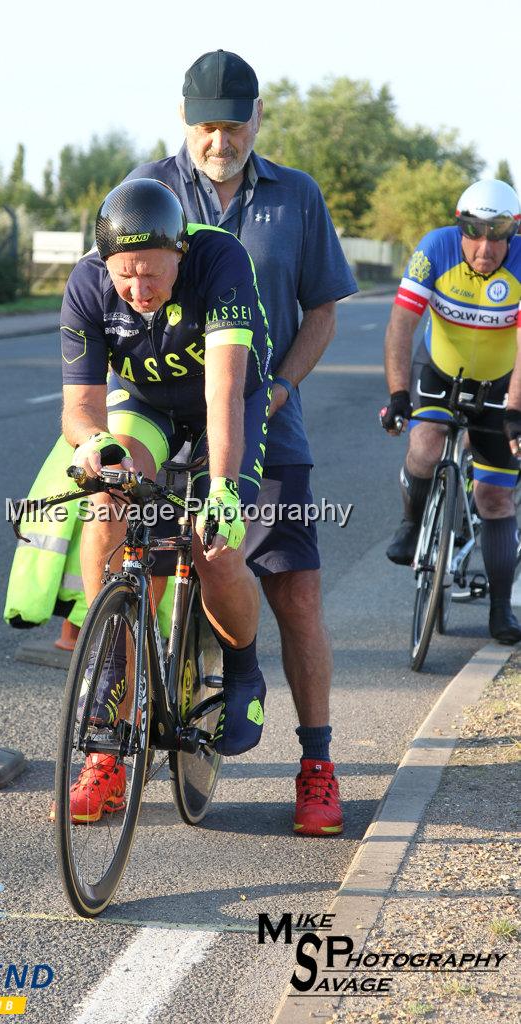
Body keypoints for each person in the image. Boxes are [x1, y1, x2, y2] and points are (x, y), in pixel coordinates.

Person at [127, 50, 357, 836]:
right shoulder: (147, 191)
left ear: (257, 117)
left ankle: (317, 767)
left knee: (295, 592)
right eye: (205, 126)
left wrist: (284, 386)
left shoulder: (296, 196)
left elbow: (323, 307)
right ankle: (104, 746)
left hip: (266, 422)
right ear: (184, 121)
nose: (218, 140)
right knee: (137, 568)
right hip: (162, 418)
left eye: (232, 124)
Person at [61, 176, 274, 820]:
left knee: (214, 546)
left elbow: (225, 390)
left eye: (153, 274)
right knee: (108, 499)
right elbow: (81, 407)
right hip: (147, 409)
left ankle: (243, 668)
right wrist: (95, 447)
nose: (140, 290)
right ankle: (108, 713)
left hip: (223, 405)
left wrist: (222, 489)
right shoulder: (87, 285)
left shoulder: (219, 260)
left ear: (180, 253)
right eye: (126, 277)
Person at [381, 178, 521, 643]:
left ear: (512, 234)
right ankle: (411, 523)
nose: (485, 248)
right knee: (424, 442)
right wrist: (399, 394)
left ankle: (501, 610)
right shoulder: (435, 248)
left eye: (497, 236)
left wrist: (516, 409)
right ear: (459, 228)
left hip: (502, 382)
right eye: (475, 233)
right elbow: (402, 324)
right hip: (440, 371)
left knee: (494, 497)